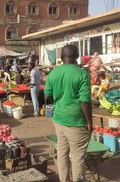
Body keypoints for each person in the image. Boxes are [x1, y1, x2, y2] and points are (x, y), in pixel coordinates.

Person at [44, 45, 92, 182]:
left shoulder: (53, 73)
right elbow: (85, 101)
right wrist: (89, 122)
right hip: (76, 121)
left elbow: (47, 97)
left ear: (61, 57)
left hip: (58, 118)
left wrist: (56, 101)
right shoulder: (82, 74)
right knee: (77, 157)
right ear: (77, 56)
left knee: (62, 152)